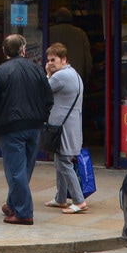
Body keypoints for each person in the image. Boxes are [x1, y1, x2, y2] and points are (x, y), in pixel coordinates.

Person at [0, 33, 50, 224]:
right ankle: (13, 203)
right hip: (34, 126)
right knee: (24, 169)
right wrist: (41, 117)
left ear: (3, 51)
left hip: (11, 128)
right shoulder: (37, 70)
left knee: (16, 170)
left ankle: (24, 212)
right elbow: (48, 99)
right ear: (23, 50)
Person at [43, 43, 86, 212]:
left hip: (64, 128)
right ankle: (61, 198)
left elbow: (43, 91)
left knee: (64, 162)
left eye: (53, 60)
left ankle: (79, 201)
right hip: (69, 126)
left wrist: (47, 74)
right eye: (48, 60)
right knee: (58, 161)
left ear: (64, 59)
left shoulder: (60, 77)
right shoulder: (72, 74)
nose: (50, 63)